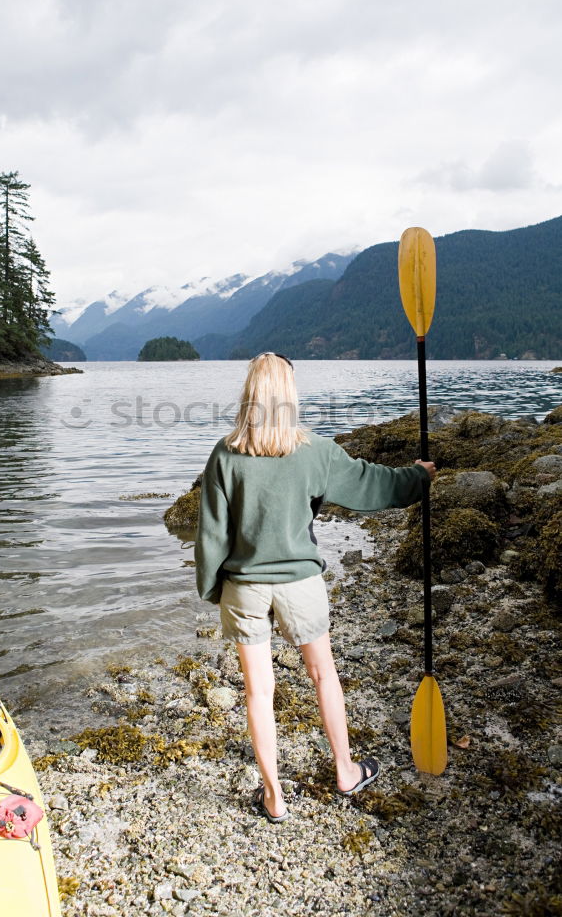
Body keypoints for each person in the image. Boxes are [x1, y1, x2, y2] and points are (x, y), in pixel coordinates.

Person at [194, 352, 436, 822]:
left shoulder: (225, 454)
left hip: (243, 587)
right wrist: (417, 479)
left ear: (249, 393)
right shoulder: (315, 451)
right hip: (300, 583)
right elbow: (372, 485)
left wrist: (211, 587)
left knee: (257, 693)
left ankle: (274, 796)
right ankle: (345, 771)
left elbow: (211, 534)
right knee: (324, 675)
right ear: (289, 394)